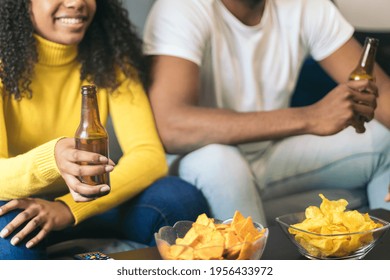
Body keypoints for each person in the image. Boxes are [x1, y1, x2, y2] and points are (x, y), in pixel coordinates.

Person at [143, 0, 390, 225]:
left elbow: (383, 91)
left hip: (271, 154)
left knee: (383, 137)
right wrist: (310, 117)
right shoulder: (181, 7)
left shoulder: (306, 6)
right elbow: (171, 127)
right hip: (202, 158)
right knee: (221, 161)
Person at [0, 0, 209, 260]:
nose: (77, 3)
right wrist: (52, 158)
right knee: (10, 235)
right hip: (20, 206)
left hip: (83, 206)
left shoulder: (110, 57)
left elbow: (149, 155)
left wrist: (67, 208)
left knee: (180, 198)